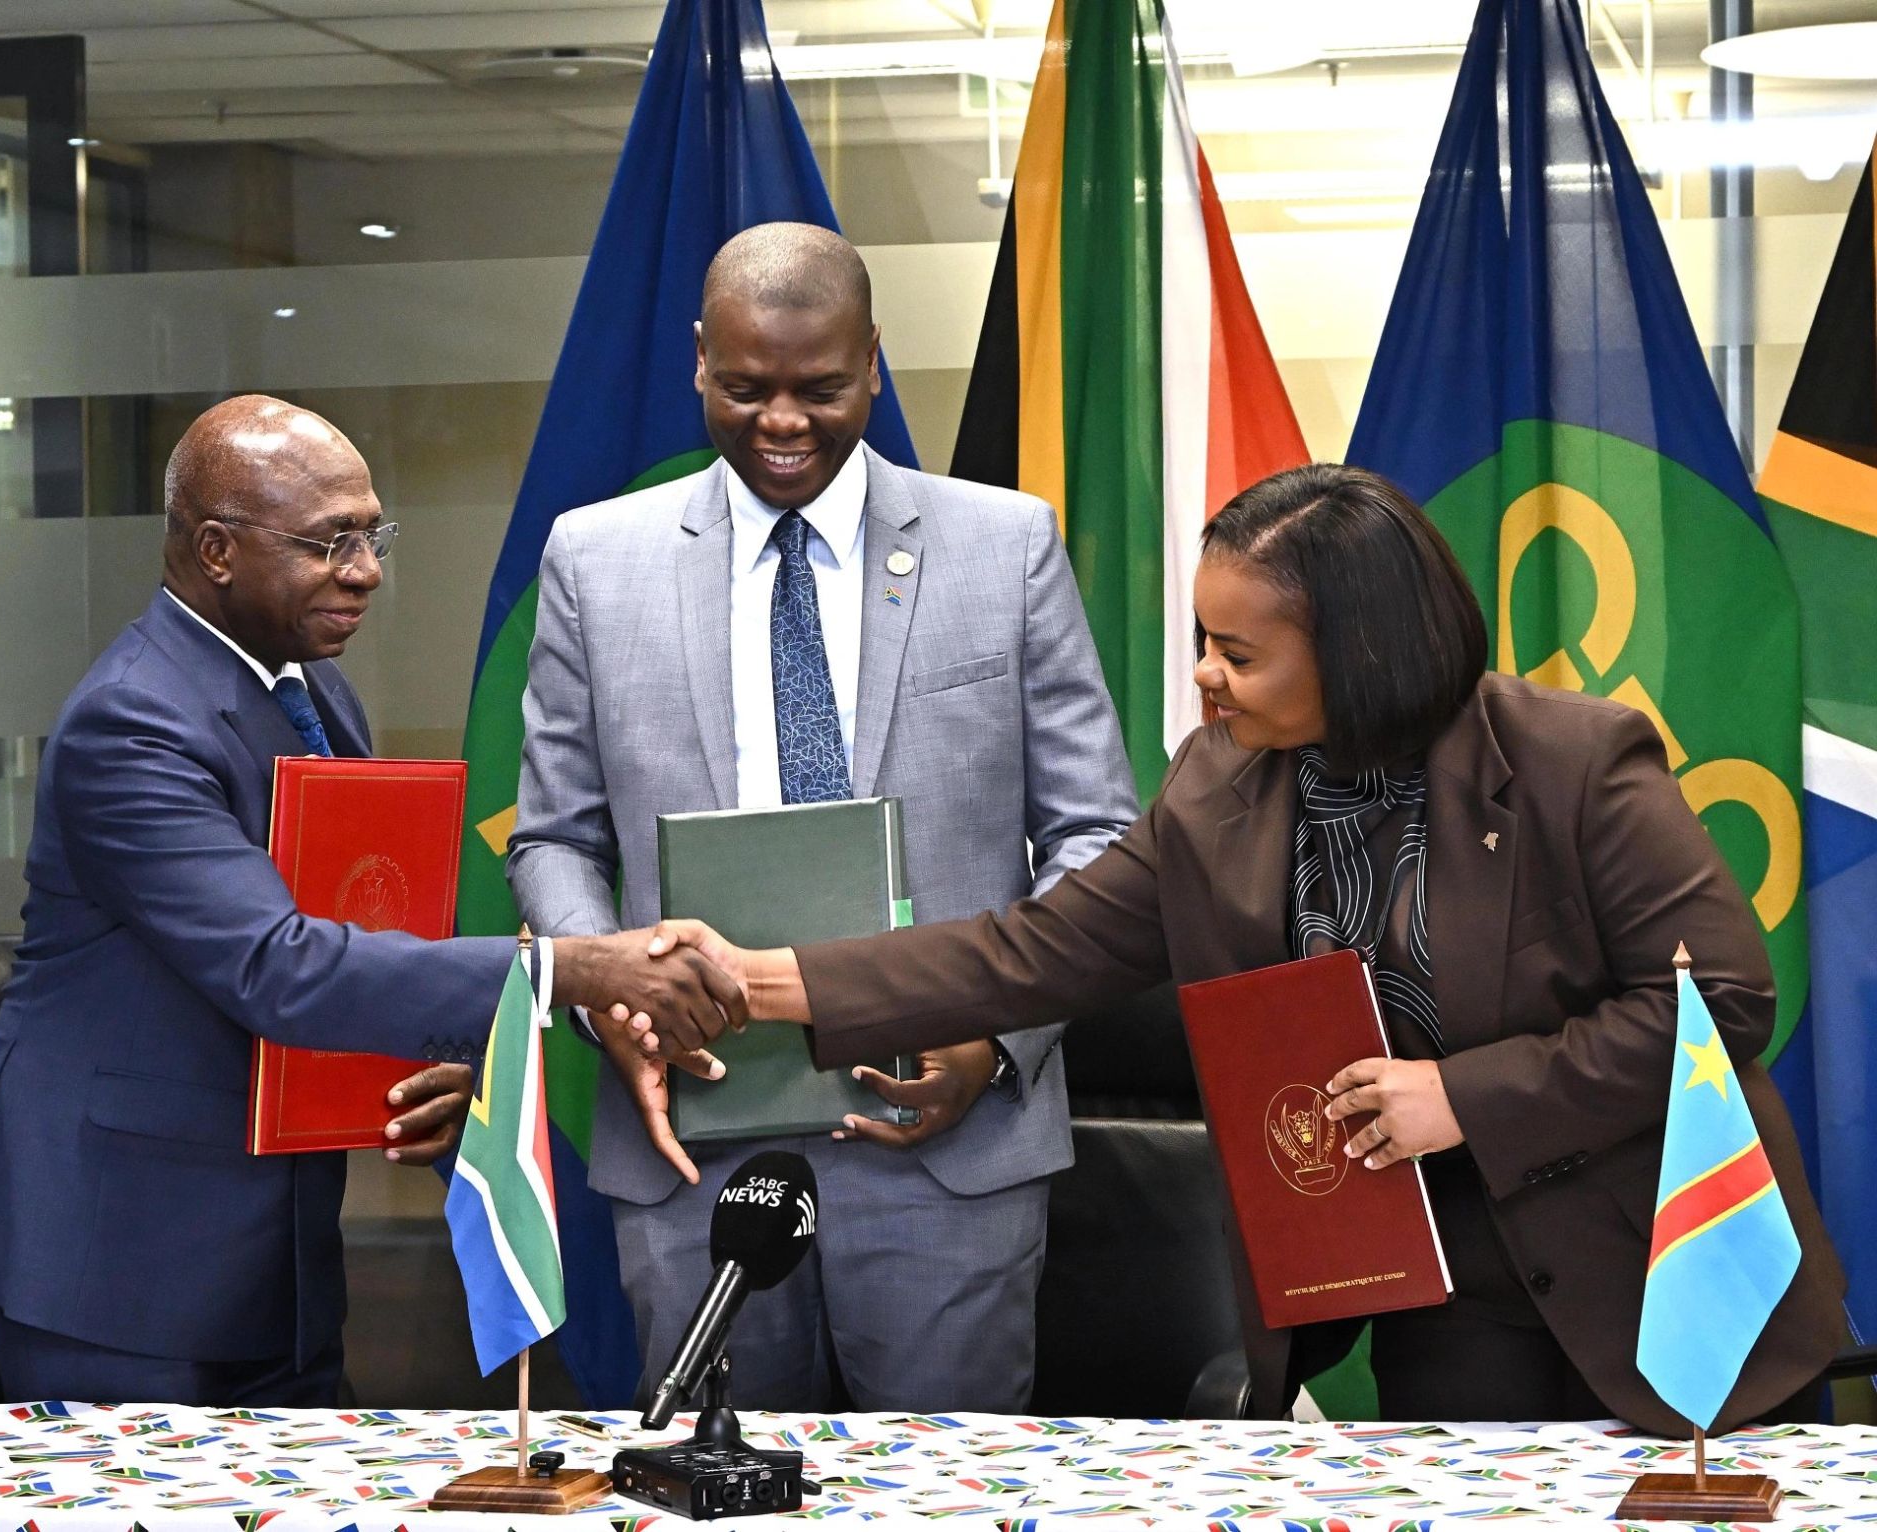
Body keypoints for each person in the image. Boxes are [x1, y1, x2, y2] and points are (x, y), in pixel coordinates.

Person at [641, 462, 1846, 1434]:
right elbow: (1028, 952)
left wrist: (1461, 1095)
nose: (1204, 676)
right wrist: (752, 979)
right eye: (1202, 639)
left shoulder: (1572, 762)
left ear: (1358, 649)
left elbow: (1719, 999)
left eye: (1238, 651)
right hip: (1448, 1297)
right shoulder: (1215, 788)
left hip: (1665, 1270)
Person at [0, 395, 745, 1408]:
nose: (365, 571)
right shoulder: (130, 722)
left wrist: (432, 1062)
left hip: (277, 1259)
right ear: (216, 550)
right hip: (119, 1262)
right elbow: (278, 964)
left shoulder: (310, 689)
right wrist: (571, 967)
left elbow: (359, 928)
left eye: (371, 535)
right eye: (328, 542)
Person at [507, 222, 1137, 1412]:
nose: (782, 421)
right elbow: (553, 839)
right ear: (698, 360)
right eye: (746, 388)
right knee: (705, 1477)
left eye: (821, 388)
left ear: (874, 362)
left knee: (944, 1492)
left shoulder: (1004, 545)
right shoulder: (595, 560)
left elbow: (1096, 834)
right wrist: (611, 993)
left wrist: (996, 1027)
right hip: (694, 1139)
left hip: (946, 1148)